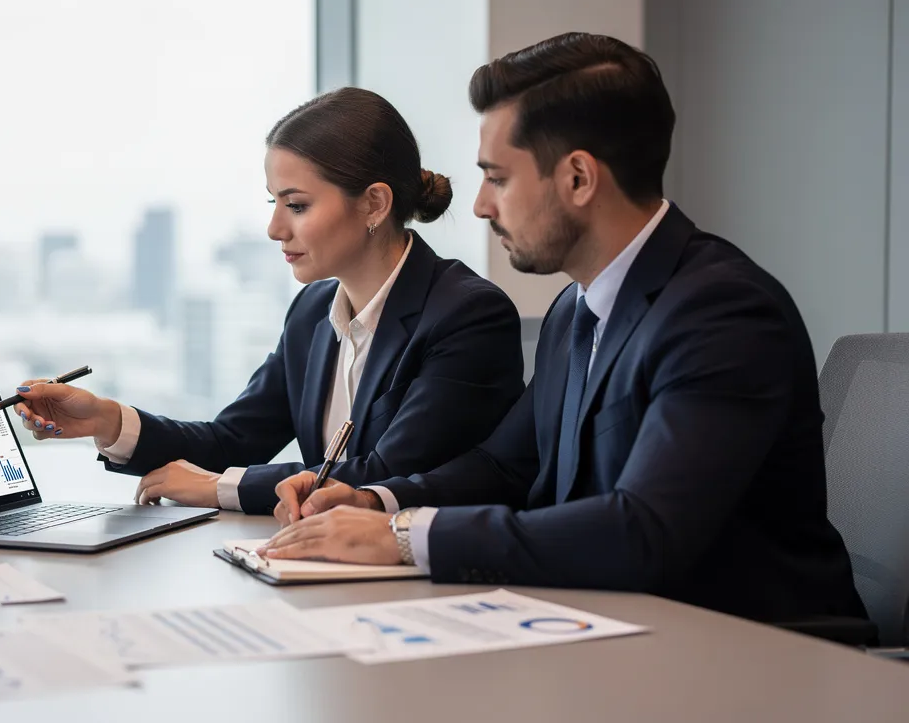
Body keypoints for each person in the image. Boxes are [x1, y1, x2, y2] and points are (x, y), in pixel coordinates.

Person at [262, 33, 867, 622]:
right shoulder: (573, 311)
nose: (478, 204)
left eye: (498, 177)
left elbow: (644, 531)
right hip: (612, 630)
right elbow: (505, 467)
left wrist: (401, 537)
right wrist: (374, 500)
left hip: (754, 654)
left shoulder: (723, 312)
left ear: (578, 178)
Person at [10, 87, 525, 515]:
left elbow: (382, 474)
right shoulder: (311, 314)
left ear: (374, 202)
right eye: (273, 202)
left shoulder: (467, 315)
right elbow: (233, 441)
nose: (275, 228)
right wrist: (109, 420)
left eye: (297, 205)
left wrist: (218, 489)